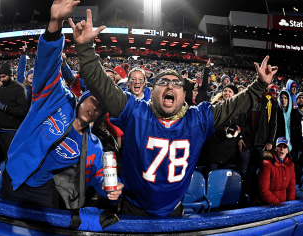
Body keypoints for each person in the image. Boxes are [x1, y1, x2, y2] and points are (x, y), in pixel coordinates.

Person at [70, 9, 277, 217]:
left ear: (183, 94)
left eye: (176, 83)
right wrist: (86, 49)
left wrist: (259, 85)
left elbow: (235, 105)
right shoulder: (134, 111)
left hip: (174, 210)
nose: (170, 85)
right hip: (134, 208)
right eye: (163, 81)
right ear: (153, 91)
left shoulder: (197, 118)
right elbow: (101, 86)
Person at [1, 1, 123, 210]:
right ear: (83, 97)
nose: (94, 107)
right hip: (13, 176)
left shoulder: (93, 144)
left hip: (45, 192)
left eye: (100, 108)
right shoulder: (57, 98)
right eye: (93, 99)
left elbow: (98, 179)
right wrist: (55, 24)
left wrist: (109, 189)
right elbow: (46, 67)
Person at [0, 62, 29, 164]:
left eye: (4, 76)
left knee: (12, 162)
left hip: (11, 133)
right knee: (1, 161)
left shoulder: (19, 88)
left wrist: (4, 107)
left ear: (10, 75)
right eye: (0, 77)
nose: (1, 79)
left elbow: (22, 111)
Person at [206, 84, 245, 172]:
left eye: (230, 91)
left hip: (229, 151)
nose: (227, 93)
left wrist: (237, 129)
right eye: (225, 91)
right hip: (214, 148)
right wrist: (225, 130)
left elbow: (243, 126)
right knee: (211, 178)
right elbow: (211, 124)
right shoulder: (215, 106)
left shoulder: (239, 109)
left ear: (235, 94)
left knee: (223, 179)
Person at [256, 137, 296, 205]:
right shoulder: (267, 164)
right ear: (275, 148)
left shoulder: (290, 165)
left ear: (287, 150)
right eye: (279, 146)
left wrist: (290, 204)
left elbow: (291, 187)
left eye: (285, 147)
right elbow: (264, 191)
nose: (282, 149)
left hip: (283, 204)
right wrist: (279, 205)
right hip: (267, 205)